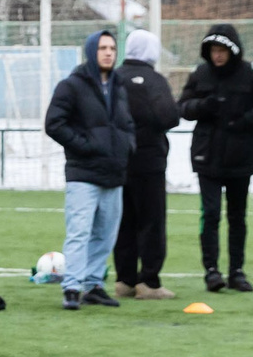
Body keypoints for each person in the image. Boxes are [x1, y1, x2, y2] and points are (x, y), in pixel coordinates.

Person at [178, 21, 253, 294]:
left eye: (222, 50)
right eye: (213, 49)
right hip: (207, 157)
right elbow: (183, 108)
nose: (218, 55)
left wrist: (249, 118)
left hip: (241, 157)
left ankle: (237, 271)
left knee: (237, 217)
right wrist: (204, 106)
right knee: (210, 214)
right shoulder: (200, 74)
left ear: (233, 50)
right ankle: (211, 272)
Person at [44, 29, 135, 310]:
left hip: (113, 173)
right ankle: (72, 287)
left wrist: (127, 146)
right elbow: (54, 123)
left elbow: (127, 124)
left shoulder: (119, 86)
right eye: (102, 48)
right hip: (83, 173)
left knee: (106, 235)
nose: (108, 52)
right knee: (79, 232)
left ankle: (94, 284)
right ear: (91, 51)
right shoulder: (71, 85)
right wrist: (84, 146)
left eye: (112, 48)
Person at [113, 30, 180, 298]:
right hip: (149, 161)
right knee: (151, 221)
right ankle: (149, 281)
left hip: (118, 161)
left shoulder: (114, 78)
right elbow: (169, 116)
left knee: (124, 221)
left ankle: (125, 280)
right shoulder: (154, 81)